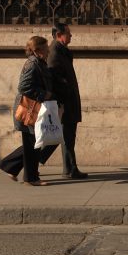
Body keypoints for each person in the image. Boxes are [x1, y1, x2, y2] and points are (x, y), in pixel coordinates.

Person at [0, 36, 57, 186]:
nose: (49, 50)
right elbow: (23, 87)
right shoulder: (32, 63)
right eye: (45, 48)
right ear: (37, 50)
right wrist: (45, 94)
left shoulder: (39, 62)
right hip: (29, 109)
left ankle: (12, 166)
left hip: (34, 108)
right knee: (33, 144)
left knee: (35, 142)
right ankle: (30, 178)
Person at [49, 22, 88, 179]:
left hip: (68, 101)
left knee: (68, 137)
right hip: (64, 103)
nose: (71, 36)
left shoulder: (63, 51)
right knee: (63, 137)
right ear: (59, 35)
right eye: (68, 33)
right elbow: (54, 77)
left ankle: (70, 168)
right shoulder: (55, 53)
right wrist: (64, 94)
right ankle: (16, 163)